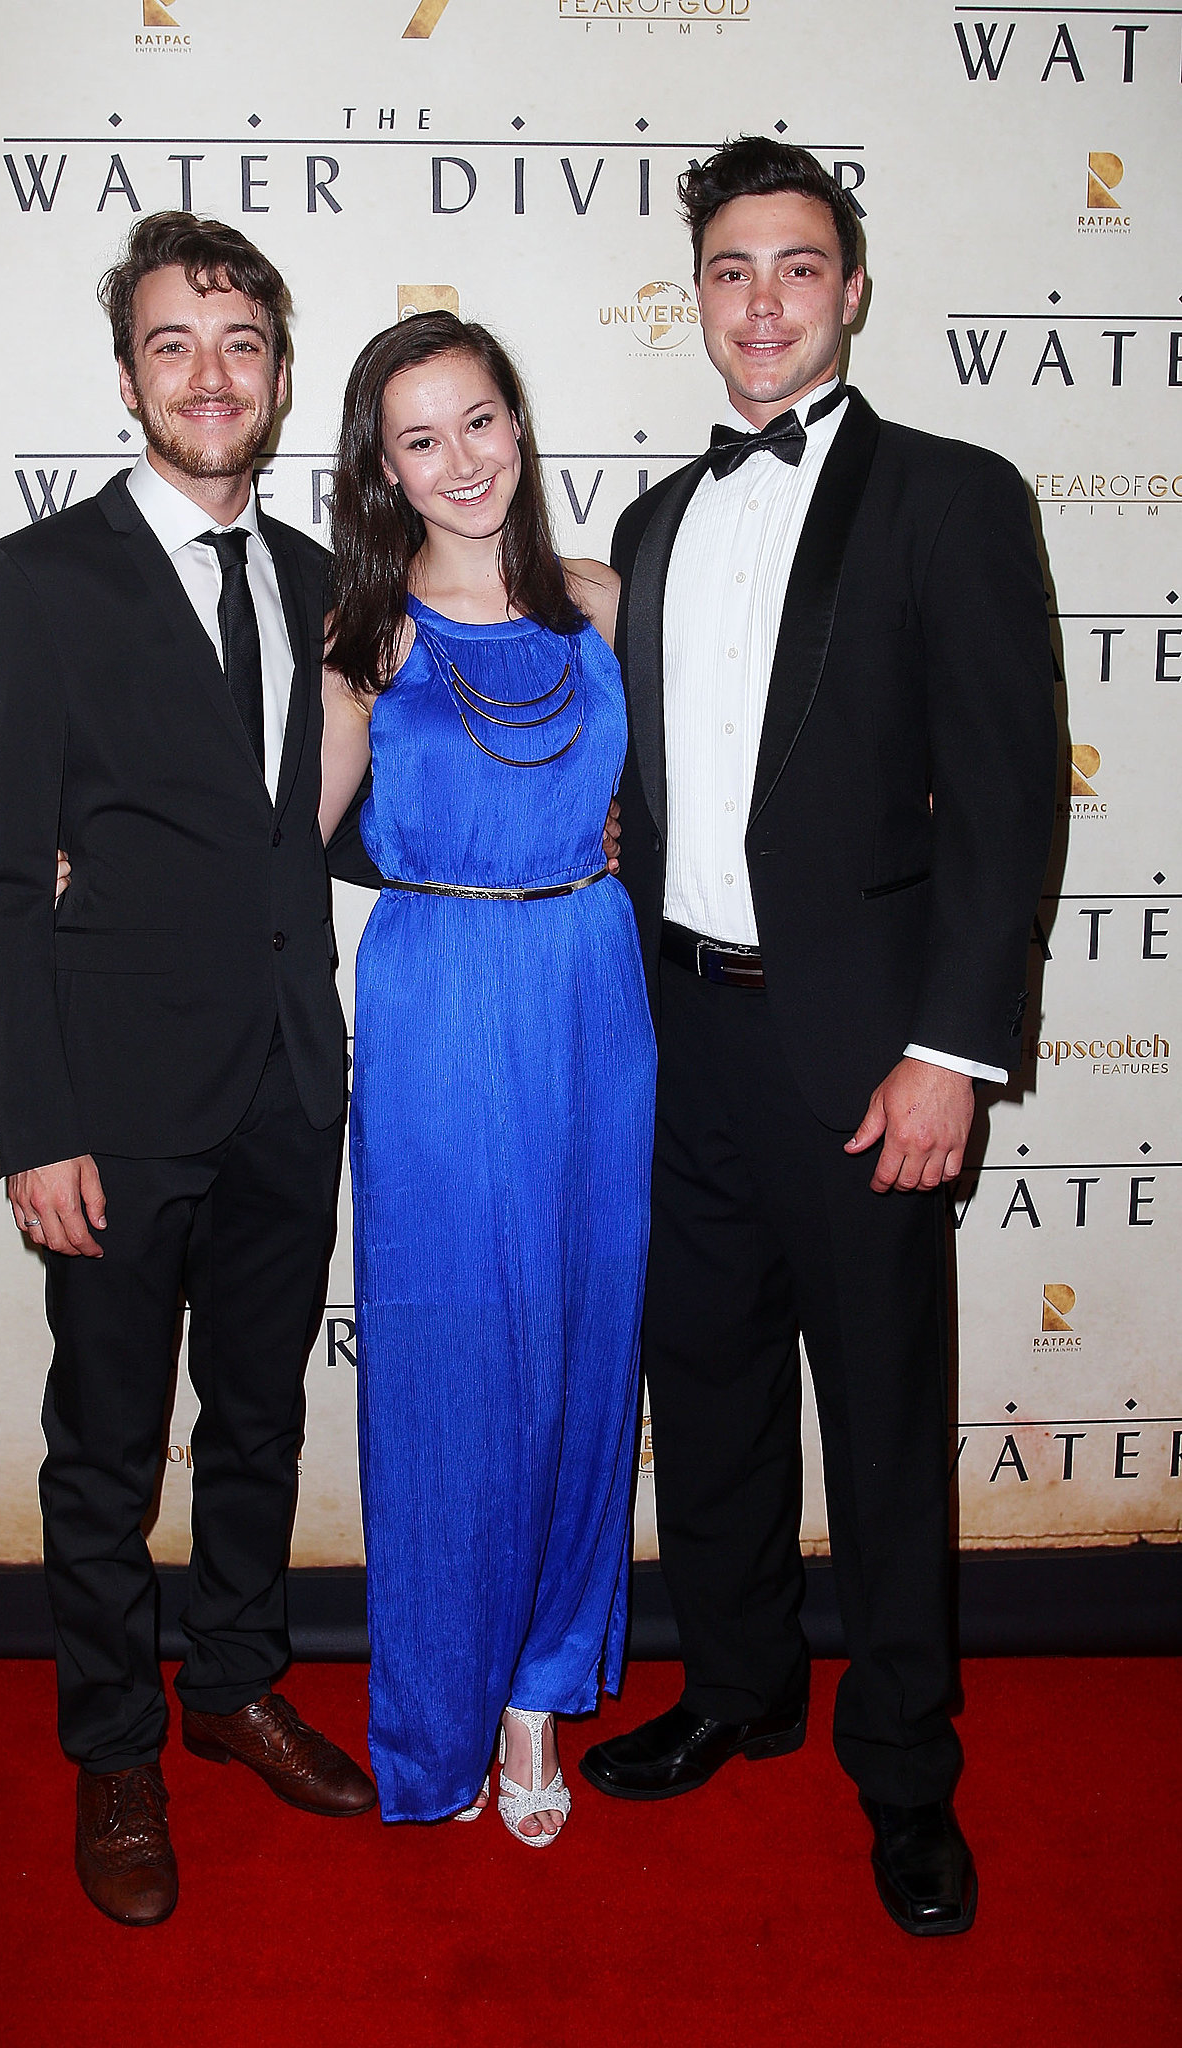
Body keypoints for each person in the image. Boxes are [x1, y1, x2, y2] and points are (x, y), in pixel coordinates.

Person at [578, 139, 1058, 1933]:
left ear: (849, 288)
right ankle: (735, 1689)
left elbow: (1007, 804)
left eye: (792, 266)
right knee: (702, 1399)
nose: (758, 301)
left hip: (862, 1057)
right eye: (726, 269)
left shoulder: (952, 493)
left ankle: (909, 1781)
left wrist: (952, 1050)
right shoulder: (652, 521)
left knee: (877, 1429)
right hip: (674, 1032)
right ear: (693, 295)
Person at [0, 212, 379, 1929]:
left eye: (241, 344)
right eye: (171, 344)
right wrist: (38, 1126)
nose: (210, 375)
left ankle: (232, 1686)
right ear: (125, 371)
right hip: (117, 1112)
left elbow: (306, 830)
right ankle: (115, 1748)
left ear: (277, 372)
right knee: (105, 1450)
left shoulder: (314, 581)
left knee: (262, 1422)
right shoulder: (35, 582)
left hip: (290, 1082)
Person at [317, 313, 657, 1841]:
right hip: (440, 1006)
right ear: (382, 470)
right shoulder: (367, 634)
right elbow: (273, 840)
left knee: (587, 1351)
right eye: (419, 438)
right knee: (452, 1369)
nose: (461, 461)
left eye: (479, 421)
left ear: (517, 424)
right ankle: (442, 1716)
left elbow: (719, 792)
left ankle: (537, 1700)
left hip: (591, 992)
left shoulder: (599, 605)